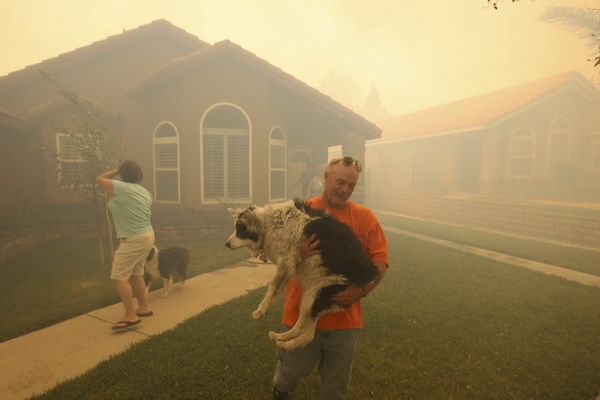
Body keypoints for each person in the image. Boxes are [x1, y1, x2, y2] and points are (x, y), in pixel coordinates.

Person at [272, 156, 389, 400]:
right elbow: (273, 254)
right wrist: (299, 252)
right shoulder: (301, 211)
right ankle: (280, 390)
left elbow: (380, 259)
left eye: (351, 185)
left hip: (345, 321)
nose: (345, 190)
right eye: (340, 182)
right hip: (299, 313)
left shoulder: (365, 217)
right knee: (292, 372)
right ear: (325, 178)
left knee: (335, 388)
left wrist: (362, 290)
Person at [96, 160, 155, 330]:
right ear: (140, 175)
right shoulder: (145, 192)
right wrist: (125, 172)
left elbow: (99, 178)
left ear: (123, 174)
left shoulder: (120, 187)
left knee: (118, 276)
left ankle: (130, 315)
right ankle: (143, 307)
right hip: (147, 235)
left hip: (134, 238)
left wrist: (118, 170)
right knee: (136, 274)